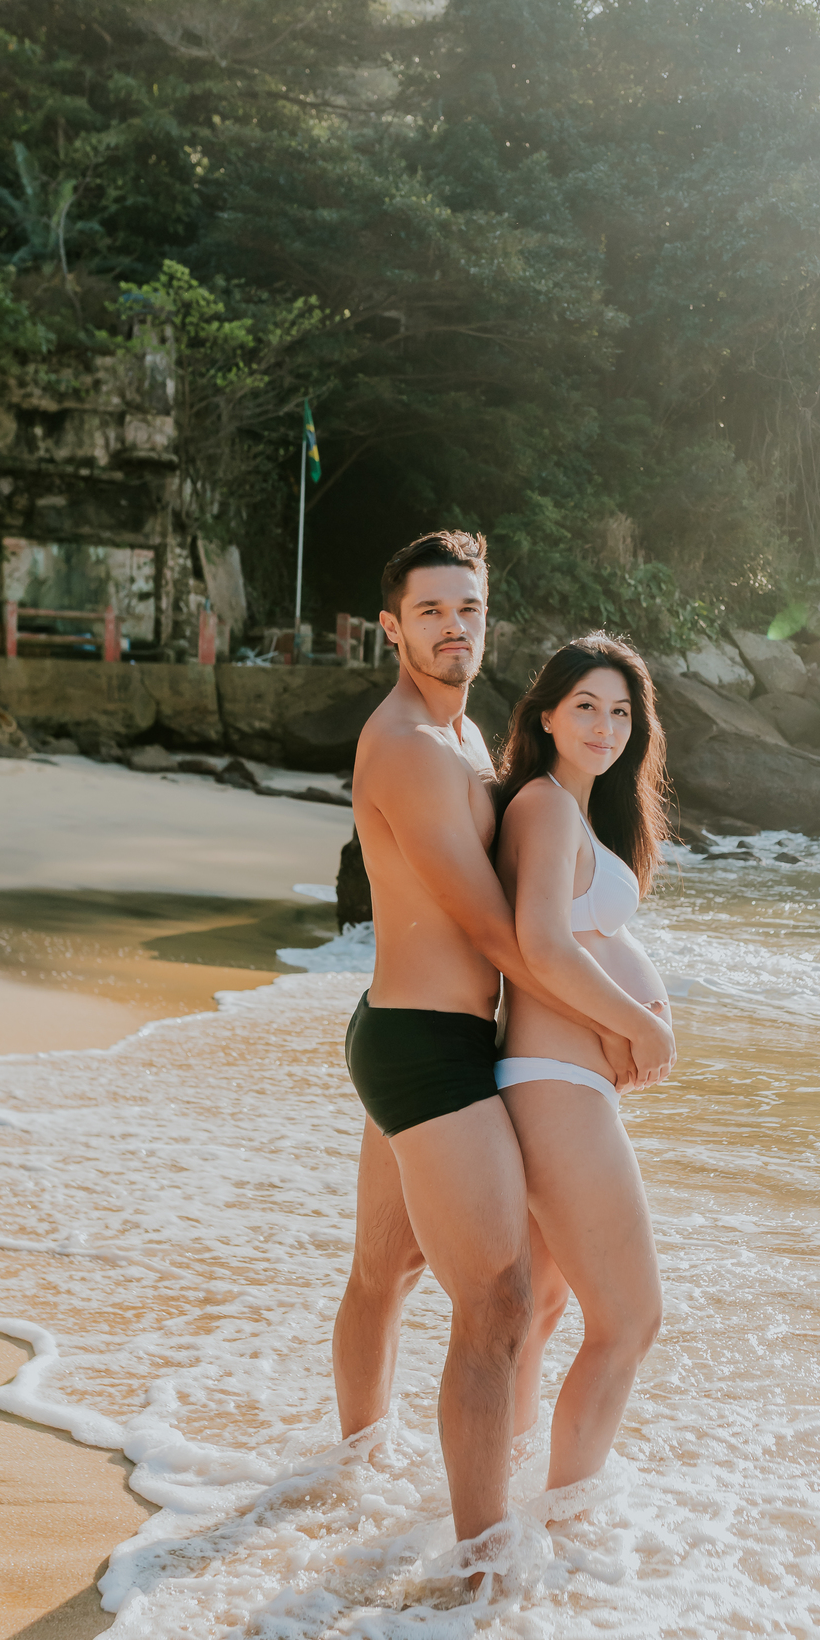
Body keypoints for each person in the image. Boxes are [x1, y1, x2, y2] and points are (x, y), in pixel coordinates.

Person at [332, 531, 675, 1550]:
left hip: (436, 1034)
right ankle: (480, 1563)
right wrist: (623, 1021)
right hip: (426, 1048)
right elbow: (497, 931)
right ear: (390, 626)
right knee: (499, 1296)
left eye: (468, 610)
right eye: (431, 610)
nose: (453, 627)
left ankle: (354, 1476)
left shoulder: (471, 741)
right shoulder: (405, 745)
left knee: (383, 1274)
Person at [492, 634, 673, 1496]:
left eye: (622, 711)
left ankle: (507, 1502)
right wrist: (646, 1027)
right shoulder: (548, 807)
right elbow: (544, 947)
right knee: (631, 1319)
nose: (607, 726)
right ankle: (564, 1525)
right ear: (548, 715)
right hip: (554, 1087)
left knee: (546, 1312)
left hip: (558, 1084)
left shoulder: (572, 809)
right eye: (588, 707)